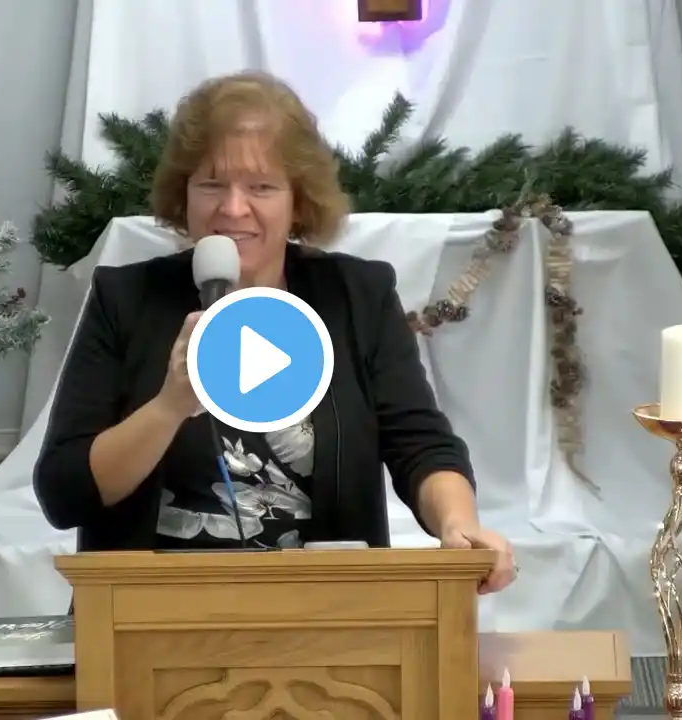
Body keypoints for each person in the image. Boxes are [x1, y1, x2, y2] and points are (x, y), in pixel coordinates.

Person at [34, 71, 516, 594]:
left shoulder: (357, 296)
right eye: (211, 184)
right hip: (148, 610)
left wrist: (458, 524)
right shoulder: (126, 299)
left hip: (324, 610)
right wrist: (169, 406)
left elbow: (420, 445)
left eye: (261, 187)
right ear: (183, 194)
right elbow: (64, 493)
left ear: (298, 200)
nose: (232, 209)